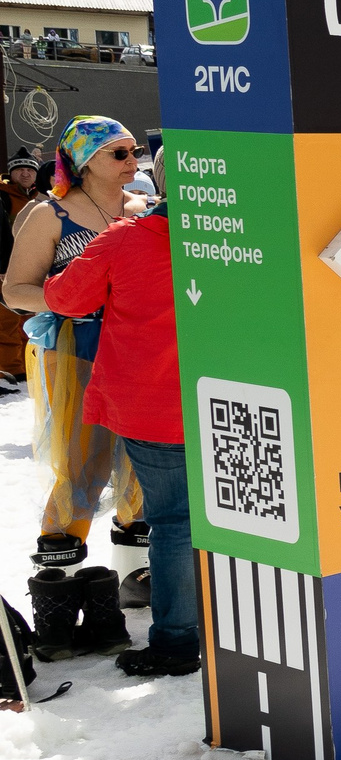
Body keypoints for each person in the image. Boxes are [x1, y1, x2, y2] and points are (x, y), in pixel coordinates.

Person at [39, 194, 197, 676]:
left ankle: (175, 642)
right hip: (241, 400)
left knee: (173, 523)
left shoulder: (127, 236)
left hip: (155, 405)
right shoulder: (239, 233)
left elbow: (66, 298)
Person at [3, 117, 147, 569]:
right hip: (79, 345)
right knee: (84, 461)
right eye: (119, 153)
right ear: (84, 162)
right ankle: (60, 578)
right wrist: (68, 296)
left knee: (145, 460)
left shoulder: (144, 208)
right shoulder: (49, 213)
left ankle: (134, 574)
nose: (132, 161)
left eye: (133, 151)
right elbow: (14, 290)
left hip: (141, 345)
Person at [0, 149, 44, 394]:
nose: (25, 173)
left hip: (32, 265)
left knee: (29, 317)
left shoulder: (36, 197)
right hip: (8, 267)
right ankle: (13, 367)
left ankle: (27, 362)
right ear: (11, 173)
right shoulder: (4, 198)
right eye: (20, 169)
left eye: (30, 169)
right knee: (6, 319)